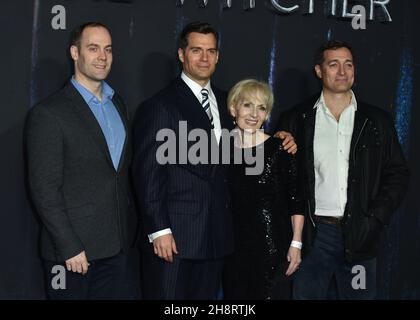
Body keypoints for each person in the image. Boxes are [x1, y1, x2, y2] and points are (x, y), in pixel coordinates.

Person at [131, 21, 296, 299]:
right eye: (196, 50)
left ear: (218, 56)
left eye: (211, 51)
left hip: (218, 237)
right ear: (182, 55)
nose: (204, 58)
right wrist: (159, 230)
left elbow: (249, 142)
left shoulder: (228, 101)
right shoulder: (160, 106)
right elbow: (147, 173)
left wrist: (280, 140)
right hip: (175, 238)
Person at [278, 40, 409, 299]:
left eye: (348, 64)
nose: (342, 71)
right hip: (314, 235)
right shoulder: (297, 118)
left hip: (360, 234)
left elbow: (398, 173)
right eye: (334, 64)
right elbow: (281, 178)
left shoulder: (376, 121)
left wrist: (375, 218)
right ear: (319, 71)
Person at [26, 22, 139, 299]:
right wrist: (69, 247)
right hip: (73, 256)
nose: (102, 56)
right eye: (93, 48)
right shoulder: (49, 113)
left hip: (118, 250)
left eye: (108, 49)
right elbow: (44, 190)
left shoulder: (119, 104)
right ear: (75, 53)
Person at [222, 79, 304, 300]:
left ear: (267, 114)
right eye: (247, 105)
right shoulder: (220, 148)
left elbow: (296, 198)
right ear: (233, 108)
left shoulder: (281, 148)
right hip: (233, 249)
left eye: (261, 107)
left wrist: (296, 243)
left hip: (272, 246)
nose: (253, 113)